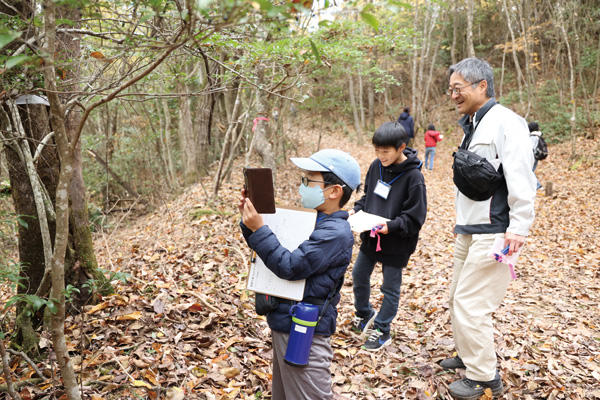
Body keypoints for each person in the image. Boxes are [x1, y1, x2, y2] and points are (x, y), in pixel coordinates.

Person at [442, 57, 536, 399]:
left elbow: (520, 177)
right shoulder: (474, 123)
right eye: (450, 89)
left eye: (458, 88)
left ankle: (483, 378)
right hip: (469, 228)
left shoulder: (506, 123)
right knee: (456, 298)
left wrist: (519, 227)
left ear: (482, 86)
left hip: (496, 231)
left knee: (471, 303)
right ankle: (468, 355)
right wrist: (460, 223)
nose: (453, 95)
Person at [239, 149, 361, 400]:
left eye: (309, 181)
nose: (302, 186)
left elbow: (290, 266)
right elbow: (270, 248)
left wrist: (259, 229)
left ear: (334, 191)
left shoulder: (335, 233)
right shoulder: (311, 220)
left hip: (305, 331)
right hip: (286, 323)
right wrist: (250, 221)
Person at [349, 121, 427, 351]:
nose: (380, 156)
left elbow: (415, 218)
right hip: (371, 235)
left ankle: (383, 329)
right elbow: (368, 197)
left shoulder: (414, 178)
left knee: (389, 288)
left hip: (397, 241)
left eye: (385, 151)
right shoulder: (376, 166)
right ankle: (365, 315)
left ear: (401, 147)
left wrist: (390, 226)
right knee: (359, 275)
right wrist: (357, 209)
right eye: (377, 150)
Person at [528, 121, 543, 190]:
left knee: (530, 171)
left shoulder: (533, 137)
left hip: (533, 156)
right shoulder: (537, 136)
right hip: (536, 155)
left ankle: (538, 186)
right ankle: (535, 185)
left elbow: (531, 147)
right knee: (531, 170)